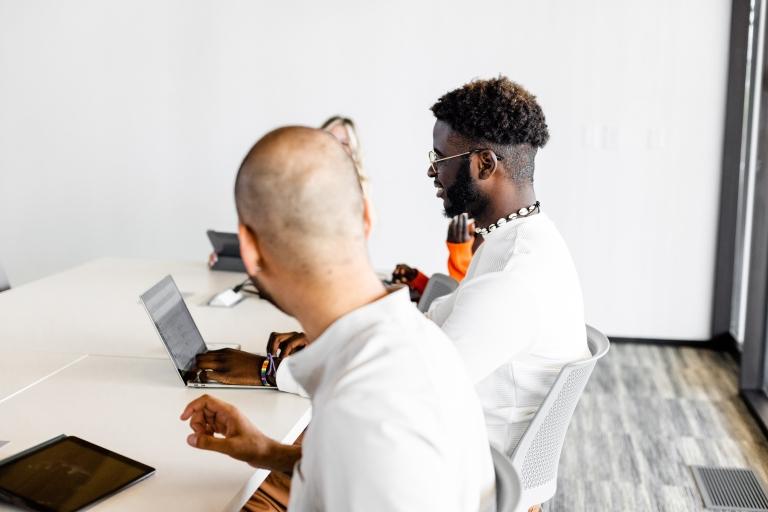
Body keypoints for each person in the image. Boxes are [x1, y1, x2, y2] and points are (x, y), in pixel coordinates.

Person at [182, 126, 495, 511]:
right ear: (367, 215)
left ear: (249, 250)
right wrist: (266, 450)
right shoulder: (417, 341)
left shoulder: (362, 413)